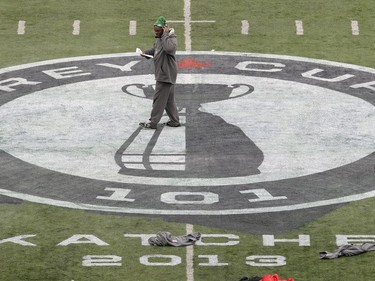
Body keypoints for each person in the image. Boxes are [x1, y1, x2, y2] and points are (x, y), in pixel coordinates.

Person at [139, 16, 180, 129]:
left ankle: (152, 123)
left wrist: (165, 35)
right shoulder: (160, 38)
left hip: (165, 74)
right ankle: (174, 121)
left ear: (164, 29)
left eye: (158, 30)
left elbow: (169, 49)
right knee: (168, 100)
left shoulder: (171, 38)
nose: (156, 32)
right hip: (165, 73)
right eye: (155, 30)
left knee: (158, 99)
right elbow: (156, 50)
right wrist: (146, 53)